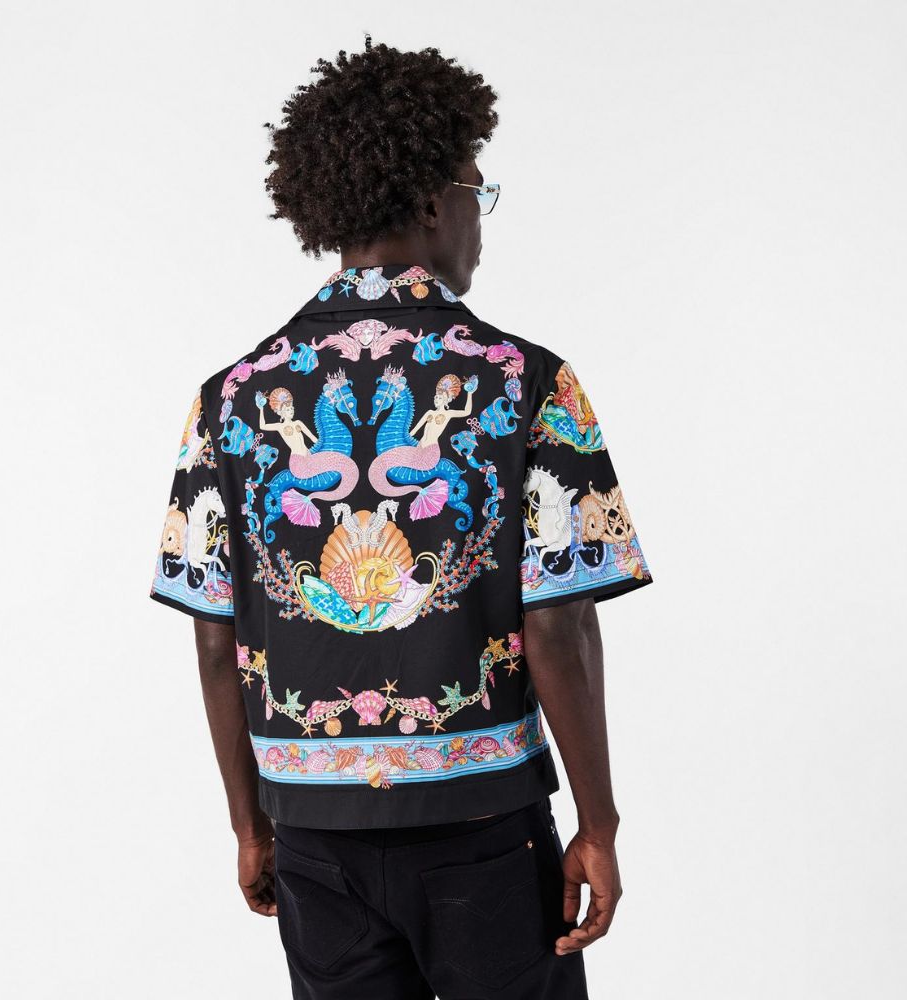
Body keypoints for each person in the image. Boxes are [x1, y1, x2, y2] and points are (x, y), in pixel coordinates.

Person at [149, 36, 653, 1000]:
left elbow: (215, 640)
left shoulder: (230, 398)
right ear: (431, 202)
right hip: (483, 827)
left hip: (311, 831)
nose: (479, 223)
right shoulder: (527, 383)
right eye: (475, 192)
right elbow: (558, 623)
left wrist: (249, 825)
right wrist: (599, 824)